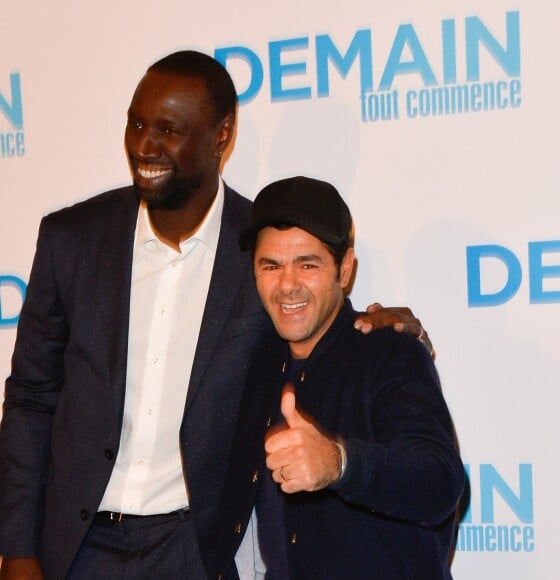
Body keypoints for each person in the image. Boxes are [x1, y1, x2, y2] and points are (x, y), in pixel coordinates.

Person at [0, 52, 432, 580]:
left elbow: (309, 309)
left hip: (193, 549)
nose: (144, 146)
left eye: (169, 129)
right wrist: (17, 549)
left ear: (222, 136)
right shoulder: (71, 240)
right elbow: (30, 398)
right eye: (136, 123)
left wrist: (387, 326)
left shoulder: (259, 245)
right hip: (76, 545)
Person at [213, 176, 465, 580]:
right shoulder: (253, 368)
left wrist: (340, 463)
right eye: (270, 266)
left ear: (344, 269)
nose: (287, 285)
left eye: (307, 264)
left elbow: (440, 483)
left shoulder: (390, 352)